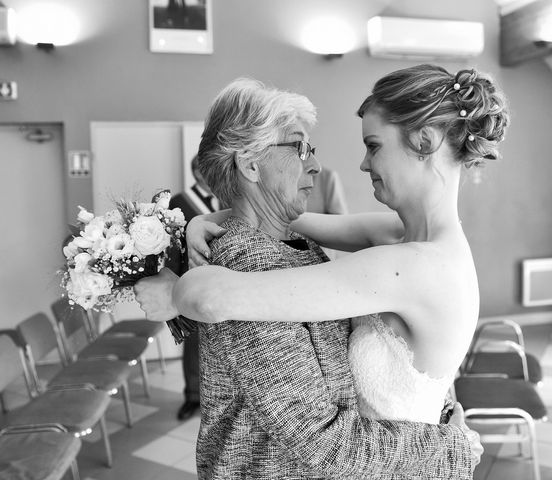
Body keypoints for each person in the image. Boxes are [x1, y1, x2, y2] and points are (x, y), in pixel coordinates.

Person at [135, 75, 483, 479]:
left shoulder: (408, 261)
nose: (322, 164)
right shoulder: (395, 238)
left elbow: (211, 295)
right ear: (250, 164)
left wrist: (176, 293)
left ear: (424, 142)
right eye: (301, 147)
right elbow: (290, 221)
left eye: (373, 146)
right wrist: (202, 224)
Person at [167, 155, 221, 421]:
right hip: (190, 282)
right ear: (198, 173)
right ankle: (192, 396)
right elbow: (174, 247)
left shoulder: (226, 198)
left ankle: (217, 395)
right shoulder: (178, 203)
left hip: (221, 282)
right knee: (193, 342)